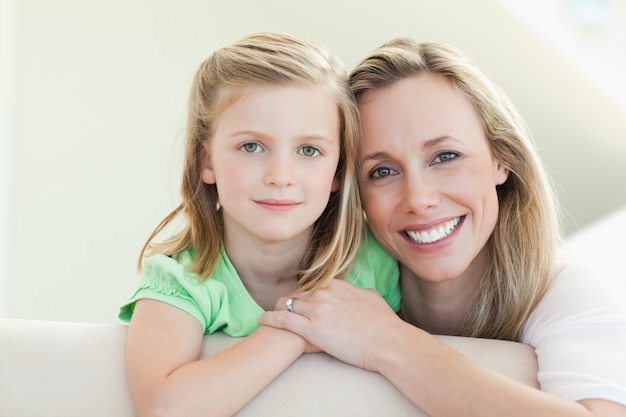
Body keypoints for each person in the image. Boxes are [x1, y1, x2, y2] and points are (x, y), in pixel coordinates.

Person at [260, 39, 626, 416]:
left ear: (501, 159)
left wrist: (388, 342)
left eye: (445, 156)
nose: (418, 199)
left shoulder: (572, 295)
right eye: (382, 171)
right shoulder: (329, 297)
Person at [118, 32, 400, 417]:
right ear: (208, 162)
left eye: (309, 150)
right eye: (252, 146)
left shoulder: (375, 265)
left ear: (338, 169)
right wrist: (296, 327)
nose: (281, 176)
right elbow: (163, 407)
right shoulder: (180, 280)